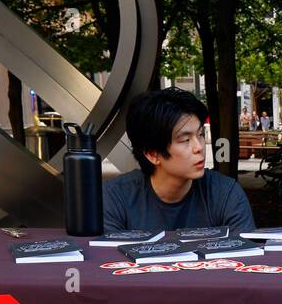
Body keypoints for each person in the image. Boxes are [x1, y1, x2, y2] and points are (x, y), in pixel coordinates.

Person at [104, 87, 256, 233]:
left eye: (200, 134)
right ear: (152, 154)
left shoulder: (225, 193)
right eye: (185, 139)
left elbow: (247, 256)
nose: (199, 147)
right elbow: (106, 257)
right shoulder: (115, 198)